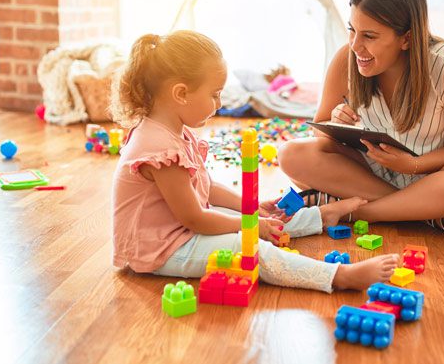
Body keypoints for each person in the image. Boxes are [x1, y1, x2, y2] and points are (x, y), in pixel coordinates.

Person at [109, 30, 397, 292]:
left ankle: (321, 216)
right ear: (181, 94)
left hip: (179, 233)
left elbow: (205, 187)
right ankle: (339, 276)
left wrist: (251, 208)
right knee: (249, 244)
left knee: (262, 218)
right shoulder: (159, 148)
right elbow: (195, 218)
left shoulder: (173, 132)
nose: (220, 104)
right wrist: (248, 225)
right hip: (160, 250)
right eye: (214, 94)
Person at [279, 0, 444, 235]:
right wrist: (334, 120)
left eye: (369, 35)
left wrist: (414, 165)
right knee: (292, 154)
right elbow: (319, 129)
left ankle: (356, 211)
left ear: (407, 39)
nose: (355, 45)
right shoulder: (347, 58)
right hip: (370, 175)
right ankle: (425, 214)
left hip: (436, 180)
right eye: (352, 30)